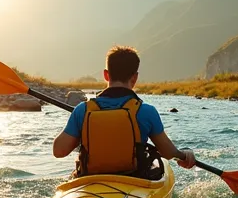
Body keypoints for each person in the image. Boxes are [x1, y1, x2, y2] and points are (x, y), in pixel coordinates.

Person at [53, 46, 196, 178]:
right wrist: (184, 155)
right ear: (135, 77)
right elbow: (168, 153)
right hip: (134, 179)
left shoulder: (82, 110)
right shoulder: (146, 111)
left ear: (106, 75)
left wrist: (81, 129)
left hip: (91, 180)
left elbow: (58, 151)